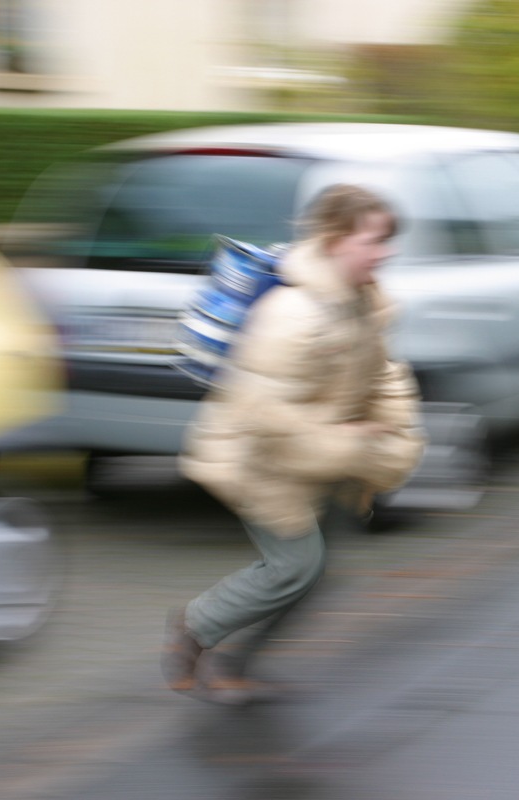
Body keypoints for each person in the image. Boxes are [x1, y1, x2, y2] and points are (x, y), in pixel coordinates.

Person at [161, 184, 426, 704]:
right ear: (333, 239)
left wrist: (396, 426)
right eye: (373, 240)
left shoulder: (362, 298)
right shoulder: (293, 314)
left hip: (319, 457)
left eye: (387, 240)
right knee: (295, 567)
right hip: (259, 457)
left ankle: (235, 664)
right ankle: (193, 628)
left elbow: (384, 373)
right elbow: (263, 414)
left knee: (318, 573)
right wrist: (349, 443)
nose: (385, 251)